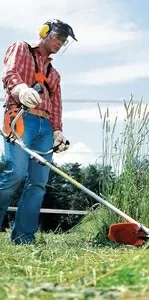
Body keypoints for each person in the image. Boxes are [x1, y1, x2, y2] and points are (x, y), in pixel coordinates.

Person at [0, 19, 78, 244]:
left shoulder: (54, 74)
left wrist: (57, 131)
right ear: (44, 32)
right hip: (20, 117)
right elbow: (10, 72)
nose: (61, 44)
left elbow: (56, 105)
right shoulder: (21, 48)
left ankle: (24, 237)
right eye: (58, 37)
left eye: (64, 41)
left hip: (45, 128)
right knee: (15, 172)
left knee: (38, 183)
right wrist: (20, 88)